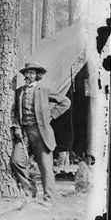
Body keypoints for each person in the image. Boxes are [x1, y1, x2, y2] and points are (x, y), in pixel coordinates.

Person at [11, 61, 70, 205]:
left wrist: (51, 115)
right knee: (16, 161)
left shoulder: (44, 90)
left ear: (37, 75)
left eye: (31, 73)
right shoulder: (19, 91)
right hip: (24, 132)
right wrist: (17, 127)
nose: (27, 75)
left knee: (45, 166)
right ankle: (30, 191)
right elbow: (15, 113)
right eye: (26, 73)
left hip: (41, 133)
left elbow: (65, 102)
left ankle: (49, 198)